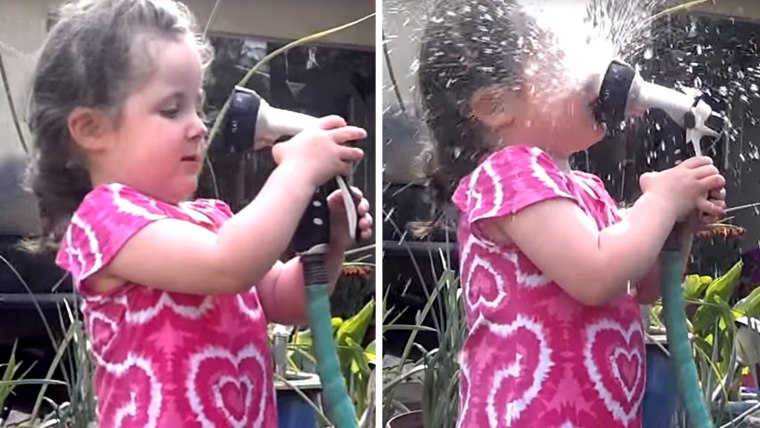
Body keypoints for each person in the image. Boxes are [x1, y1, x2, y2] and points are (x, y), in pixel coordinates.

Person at [25, 0, 372, 427]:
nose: (199, 125)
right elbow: (227, 265)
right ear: (92, 129)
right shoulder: (106, 220)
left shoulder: (212, 218)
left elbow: (287, 301)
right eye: (172, 109)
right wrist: (298, 171)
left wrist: (331, 242)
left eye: (197, 105)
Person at [416, 0, 725, 426]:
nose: (590, 71)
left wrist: (676, 227)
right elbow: (596, 274)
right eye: (561, 55)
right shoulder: (510, 174)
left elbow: (644, 285)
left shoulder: (583, 188)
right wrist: (660, 203)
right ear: (496, 107)